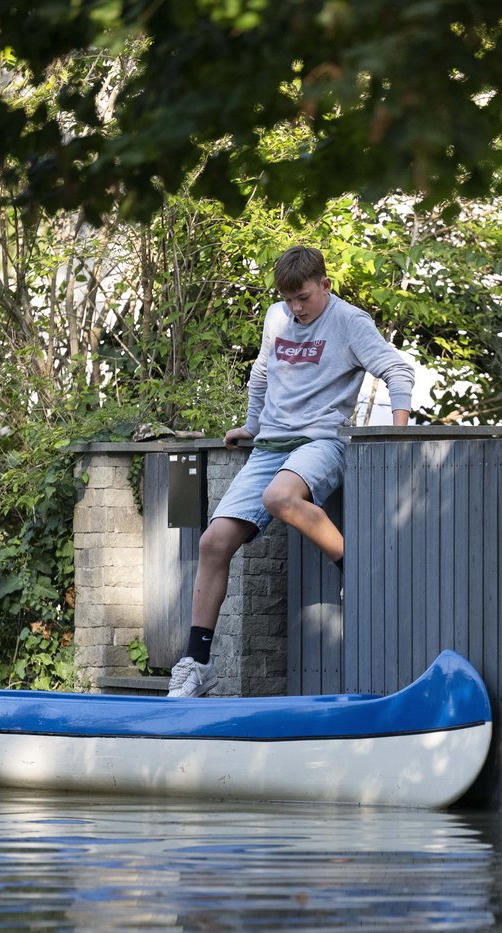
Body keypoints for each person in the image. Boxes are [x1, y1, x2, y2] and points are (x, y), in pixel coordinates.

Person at [166, 245, 415, 698]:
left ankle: (355, 575)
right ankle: (197, 665)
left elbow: (397, 371)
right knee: (213, 542)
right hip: (270, 446)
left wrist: (396, 434)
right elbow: (261, 374)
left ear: (325, 285)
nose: (296, 309)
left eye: (303, 297)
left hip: (322, 442)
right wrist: (252, 424)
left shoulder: (350, 322)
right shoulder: (276, 317)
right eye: (289, 299)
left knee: (279, 498)